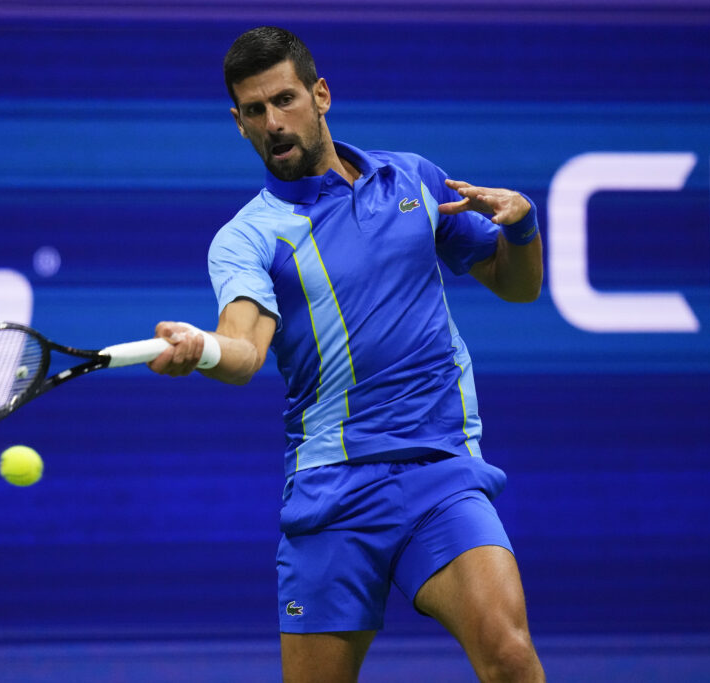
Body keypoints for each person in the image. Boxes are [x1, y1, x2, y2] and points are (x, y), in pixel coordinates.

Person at [148, 26, 546, 683]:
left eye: (284, 100)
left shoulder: (412, 179)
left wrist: (524, 223)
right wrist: (205, 348)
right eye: (254, 110)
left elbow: (519, 285)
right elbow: (245, 348)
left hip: (438, 471)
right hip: (333, 490)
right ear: (238, 122)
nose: (273, 123)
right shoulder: (248, 237)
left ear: (320, 94)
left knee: (508, 655)